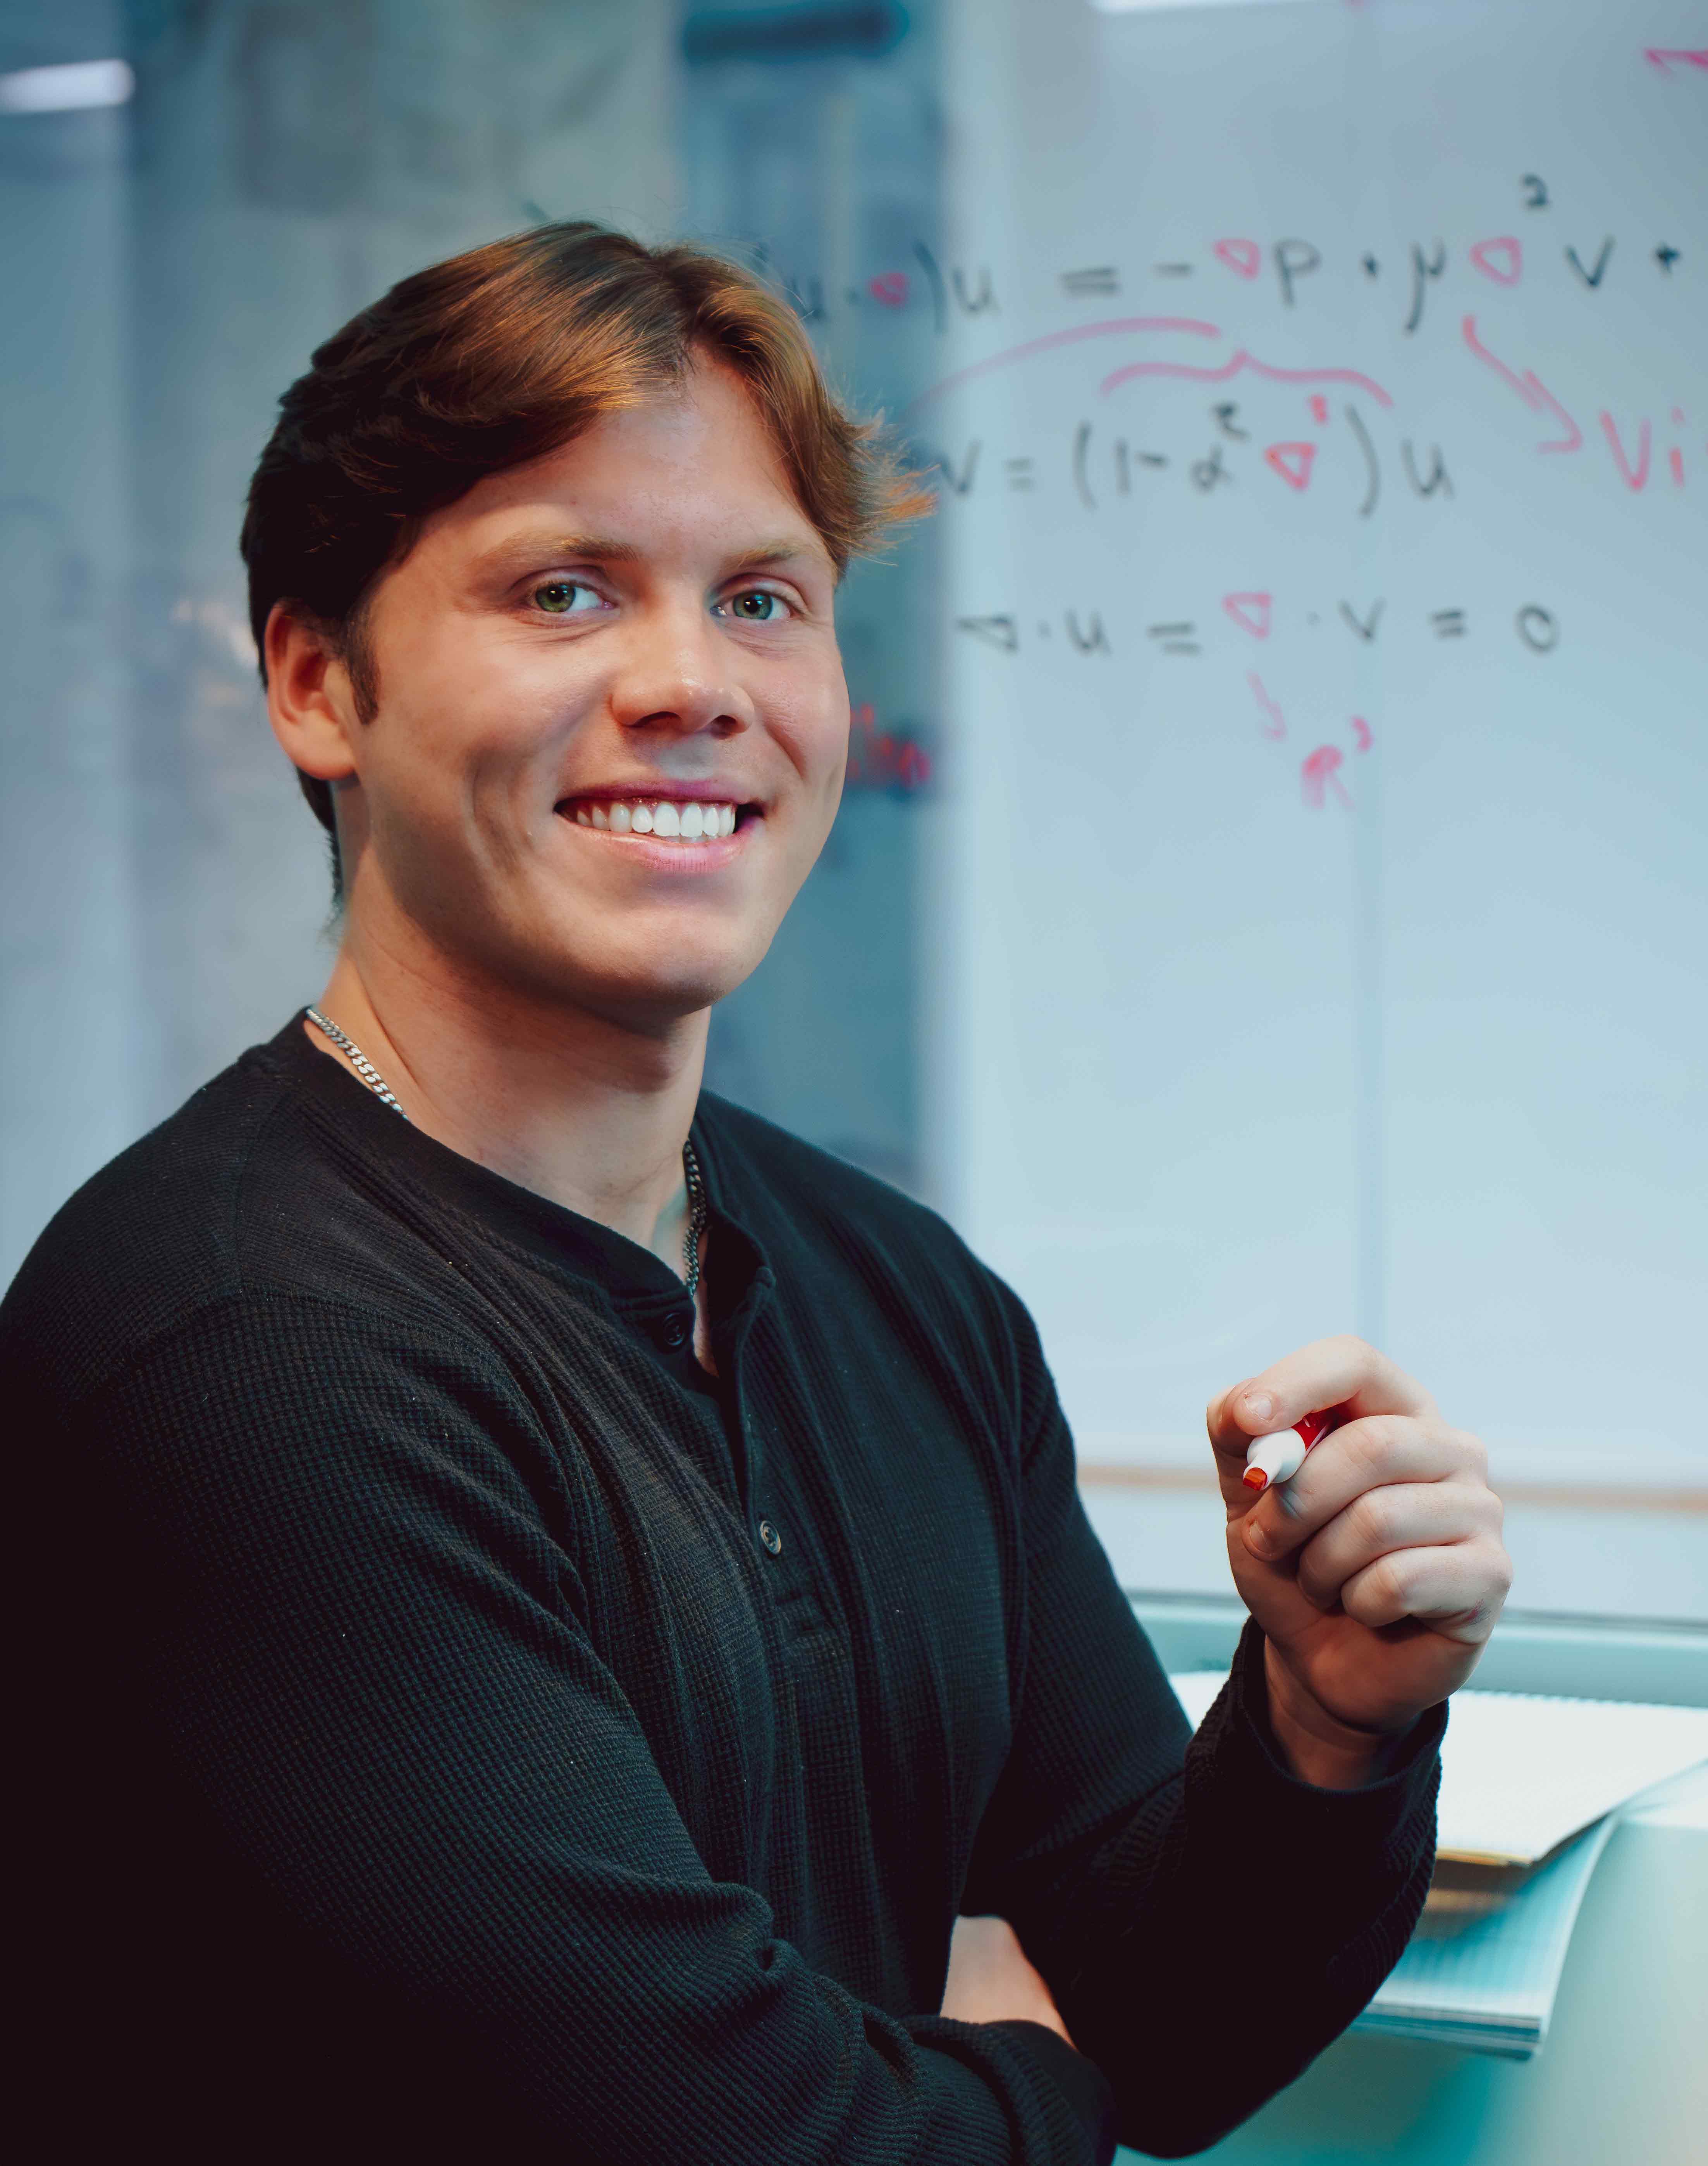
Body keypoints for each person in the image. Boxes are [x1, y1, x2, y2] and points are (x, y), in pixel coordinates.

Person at [3, 224, 1510, 2164]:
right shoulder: (243, 1361)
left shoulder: (900, 1294)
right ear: (318, 682)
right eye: (565, 591)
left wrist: (1326, 1728)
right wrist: (1047, 2070)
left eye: (767, 601)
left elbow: (1168, 2016)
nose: (692, 685)